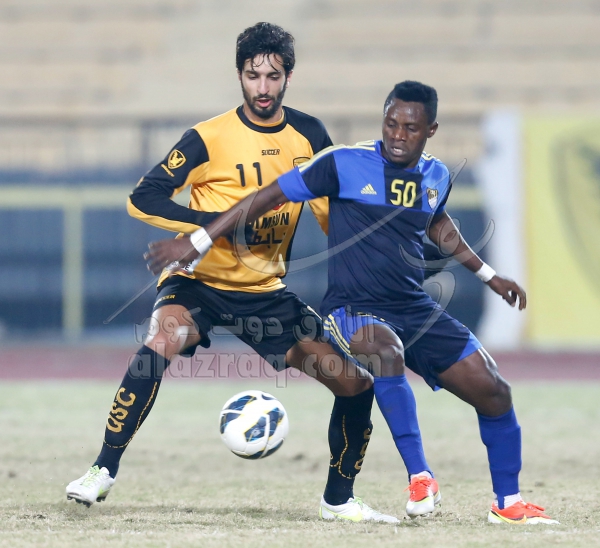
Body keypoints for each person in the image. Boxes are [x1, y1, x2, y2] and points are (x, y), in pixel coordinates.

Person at [146, 80, 559, 525]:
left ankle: (508, 504)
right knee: (385, 352)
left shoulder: (436, 175)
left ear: (431, 130)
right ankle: (420, 477)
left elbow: (437, 223)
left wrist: (489, 275)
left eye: (410, 128)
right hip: (353, 307)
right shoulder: (342, 163)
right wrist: (200, 240)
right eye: (391, 123)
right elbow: (266, 197)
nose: (397, 134)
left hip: (413, 306)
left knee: (494, 390)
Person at [66, 22, 400, 524]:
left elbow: (331, 214)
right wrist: (209, 226)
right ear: (239, 75)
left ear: (288, 77)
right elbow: (143, 197)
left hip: (265, 291)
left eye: (273, 76)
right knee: (162, 339)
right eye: (252, 75)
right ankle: (102, 469)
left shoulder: (311, 136)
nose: (262, 87)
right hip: (197, 282)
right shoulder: (207, 138)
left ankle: (338, 500)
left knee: (355, 384)